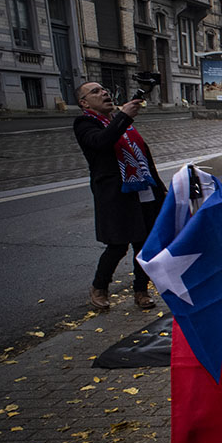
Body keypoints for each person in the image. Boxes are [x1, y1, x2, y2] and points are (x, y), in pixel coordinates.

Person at [74, 82, 167, 310]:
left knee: (144, 244)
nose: (104, 92)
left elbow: (144, 156)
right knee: (117, 245)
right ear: (84, 103)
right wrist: (124, 117)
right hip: (116, 194)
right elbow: (101, 141)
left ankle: (141, 291)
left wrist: (159, 188)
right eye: (95, 91)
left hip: (142, 190)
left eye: (104, 89)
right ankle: (99, 287)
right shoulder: (85, 123)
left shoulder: (123, 124)